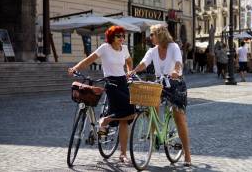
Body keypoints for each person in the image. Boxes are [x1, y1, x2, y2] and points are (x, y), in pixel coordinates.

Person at [68, 25, 135, 163]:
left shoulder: (125, 49)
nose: (122, 38)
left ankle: (123, 154)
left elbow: (129, 61)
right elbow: (89, 60)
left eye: (123, 36)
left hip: (123, 82)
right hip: (110, 82)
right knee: (128, 111)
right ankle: (105, 122)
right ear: (111, 37)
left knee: (125, 119)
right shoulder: (105, 48)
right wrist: (75, 68)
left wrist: (129, 73)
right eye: (118, 36)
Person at [128, 24, 192, 166]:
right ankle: (155, 135)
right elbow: (144, 63)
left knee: (179, 118)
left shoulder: (173, 47)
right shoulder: (152, 50)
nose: (150, 37)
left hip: (175, 83)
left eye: (152, 34)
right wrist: (133, 71)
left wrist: (176, 70)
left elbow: (178, 62)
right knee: (151, 103)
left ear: (160, 35)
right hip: (160, 83)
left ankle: (187, 154)